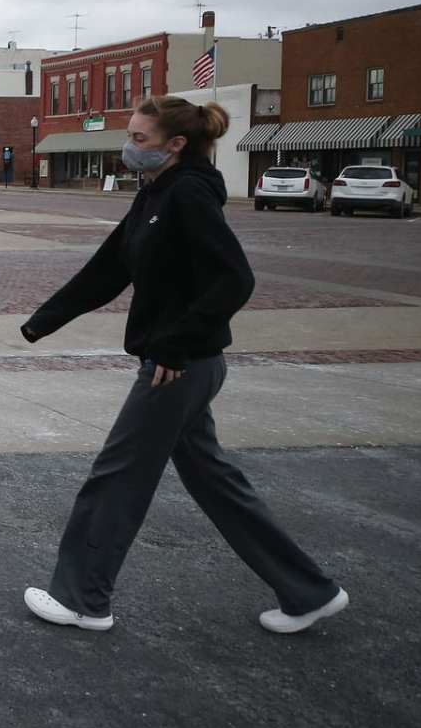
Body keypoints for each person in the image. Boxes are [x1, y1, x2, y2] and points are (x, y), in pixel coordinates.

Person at [19, 96, 348, 634]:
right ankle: (308, 590)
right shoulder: (156, 193)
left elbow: (234, 279)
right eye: (130, 135)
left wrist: (175, 346)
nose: (130, 147)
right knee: (215, 481)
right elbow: (109, 266)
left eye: (140, 139)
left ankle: (82, 598)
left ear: (175, 145)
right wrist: (45, 320)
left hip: (178, 367)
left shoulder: (189, 194)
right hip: (184, 364)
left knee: (117, 477)